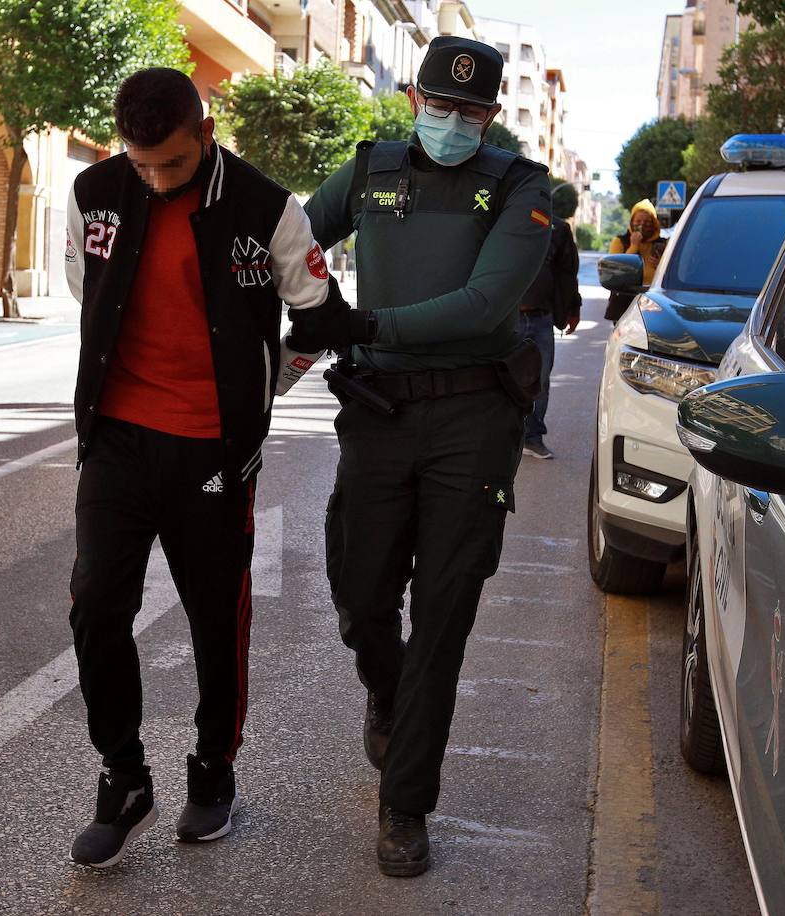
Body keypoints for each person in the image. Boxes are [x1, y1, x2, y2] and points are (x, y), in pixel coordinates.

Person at [63, 67, 342, 868]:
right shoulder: (95, 195)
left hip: (214, 449)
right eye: (140, 164)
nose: (154, 180)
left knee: (215, 619)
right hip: (118, 439)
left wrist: (269, 387)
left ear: (207, 131)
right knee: (94, 608)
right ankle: (124, 776)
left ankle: (213, 771)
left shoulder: (267, 207)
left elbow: (320, 315)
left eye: (172, 166)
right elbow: (92, 303)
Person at [292, 36, 552, 877]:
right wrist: (288, 295)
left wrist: (363, 326)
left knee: (442, 615)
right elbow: (292, 235)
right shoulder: (372, 169)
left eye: (471, 111)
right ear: (414, 97)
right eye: (440, 105)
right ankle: (386, 688)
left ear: (493, 116)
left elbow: (485, 306)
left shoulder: (521, 189)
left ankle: (405, 804)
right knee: (361, 591)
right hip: (380, 413)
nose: (452, 121)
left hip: (473, 419)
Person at [517, 183, 583, 459]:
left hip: (542, 319)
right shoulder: (507, 225)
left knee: (540, 380)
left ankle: (532, 437)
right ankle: (504, 436)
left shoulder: (558, 229)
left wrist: (573, 308)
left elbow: (568, 272)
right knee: (501, 378)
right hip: (507, 319)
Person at [604, 198, 666, 322]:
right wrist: (633, 246)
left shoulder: (663, 244)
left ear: (654, 224)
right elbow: (616, 271)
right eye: (638, 221)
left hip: (654, 301)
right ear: (631, 222)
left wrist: (661, 265)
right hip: (625, 301)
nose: (642, 225)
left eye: (647, 221)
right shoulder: (620, 242)